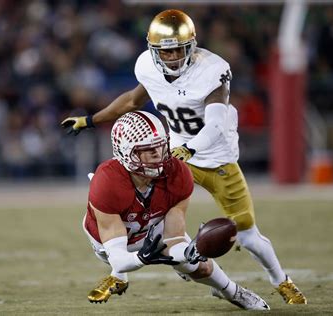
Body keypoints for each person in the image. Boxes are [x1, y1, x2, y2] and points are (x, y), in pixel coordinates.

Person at [62, 9, 306, 305]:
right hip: (174, 154)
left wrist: (189, 149)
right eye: (166, 51)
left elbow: (215, 123)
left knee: (246, 234)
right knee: (133, 208)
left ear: (191, 46)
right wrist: (89, 120)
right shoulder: (148, 68)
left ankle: (282, 281)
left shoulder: (212, 69)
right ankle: (128, 269)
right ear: (153, 51)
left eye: (179, 49)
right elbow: (130, 101)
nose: (173, 57)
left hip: (215, 158)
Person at [82, 110, 269, 311]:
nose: (158, 154)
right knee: (121, 268)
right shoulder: (107, 182)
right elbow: (119, 259)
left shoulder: (177, 172)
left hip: (153, 227)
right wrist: (140, 258)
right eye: (148, 149)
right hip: (110, 242)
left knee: (198, 266)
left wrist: (190, 252)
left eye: (161, 146)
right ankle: (119, 278)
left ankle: (232, 291)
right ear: (126, 153)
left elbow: (174, 237)